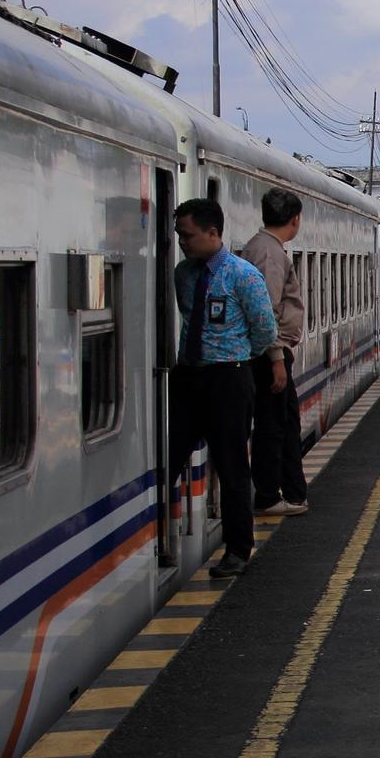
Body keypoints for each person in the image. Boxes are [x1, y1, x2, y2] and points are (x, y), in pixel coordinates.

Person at [170, 198, 278, 578]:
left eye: (188, 235)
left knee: (232, 466)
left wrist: (236, 354)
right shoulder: (184, 274)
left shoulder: (243, 275)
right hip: (189, 376)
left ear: (212, 232)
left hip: (229, 378)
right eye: (179, 235)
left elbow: (265, 329)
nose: (182, 242)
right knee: (168, 457)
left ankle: (237, 550)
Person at [242, 189, 309, 517]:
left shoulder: (263, 247)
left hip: (270, 353)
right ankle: (269, 496)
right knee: (274, 427)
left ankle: (290, 493)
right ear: (295, 219)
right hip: (270, 356)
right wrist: (277, 358)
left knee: (284, 423)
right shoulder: (269, 253)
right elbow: (265, 310)